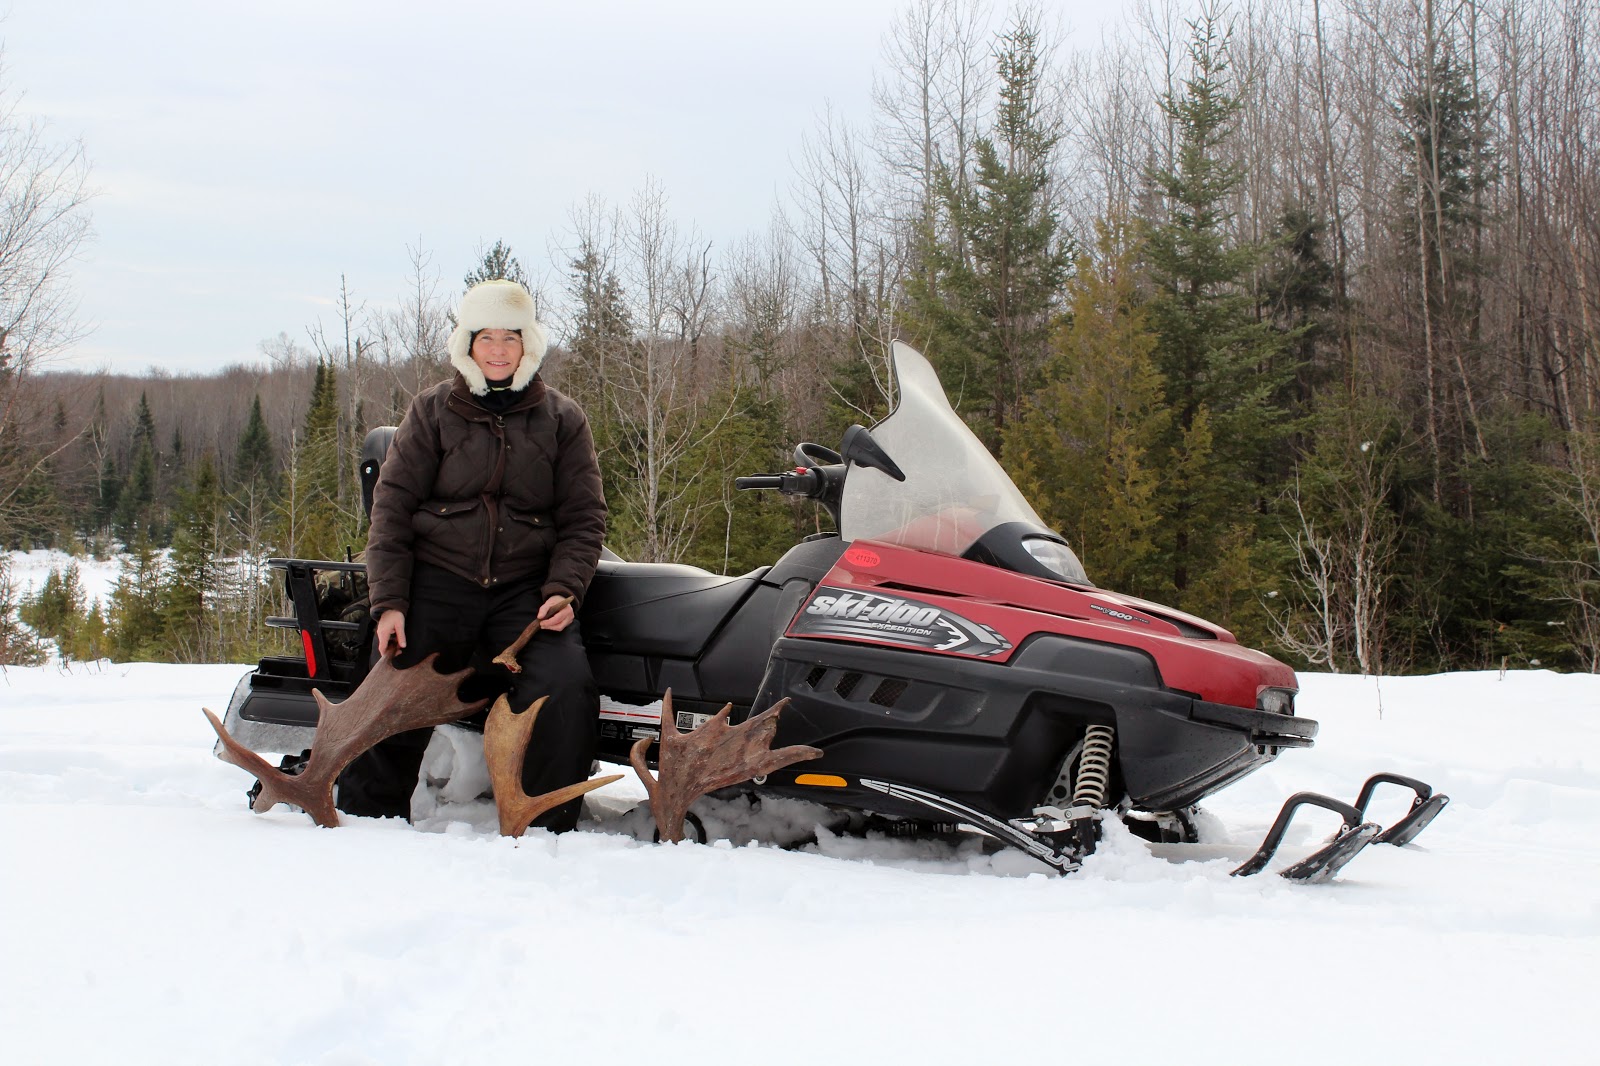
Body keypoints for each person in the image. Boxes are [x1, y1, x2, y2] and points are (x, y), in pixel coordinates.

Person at [335, 279, 607, 831]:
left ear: (528, 343)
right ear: (468, 343)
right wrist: (389, 603)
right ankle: (366, 819)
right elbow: (390, 510)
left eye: (512, 337)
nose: (500, 350)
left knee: (565, 683)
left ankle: (548, 826)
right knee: (395, 677)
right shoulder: (433, 410)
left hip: (524, 594)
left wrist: (565, 590)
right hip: (440, 582)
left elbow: (584, 518)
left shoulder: (562, 419)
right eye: (487, 337)